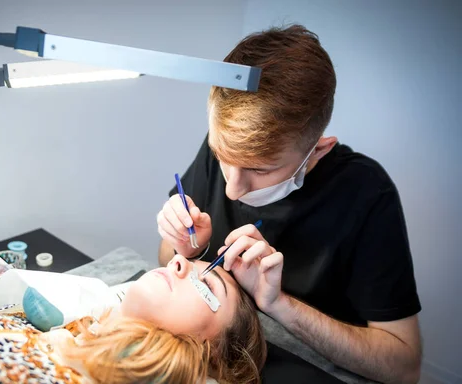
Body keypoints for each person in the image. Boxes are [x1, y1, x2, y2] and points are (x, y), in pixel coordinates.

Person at [157, 25, 422, 383]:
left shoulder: (366, 193)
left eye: (259, 170)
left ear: (319, 149)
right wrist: (187, 246)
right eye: (223, 157)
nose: (233, 190)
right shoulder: (231, 145)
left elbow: (403, 368)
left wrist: (278, 303)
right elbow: (167, 259)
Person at [0, 256, 266, 384]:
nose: (179, 263)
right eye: (192, 260)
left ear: (211, 351)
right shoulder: (73, 332)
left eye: (207, 285)